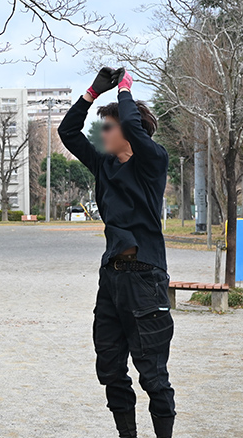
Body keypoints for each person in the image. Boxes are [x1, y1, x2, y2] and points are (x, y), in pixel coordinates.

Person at [58, 67, 175, 438]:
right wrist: (93, 91)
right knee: (109, 368)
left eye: (109, 126)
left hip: (145, 277)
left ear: (129, 130)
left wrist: (124, 90)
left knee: (152, 374)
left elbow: (130, 119)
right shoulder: (104, 166)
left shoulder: (152, 162)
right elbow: (68, 132)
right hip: (111, 278)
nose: (103, 132)